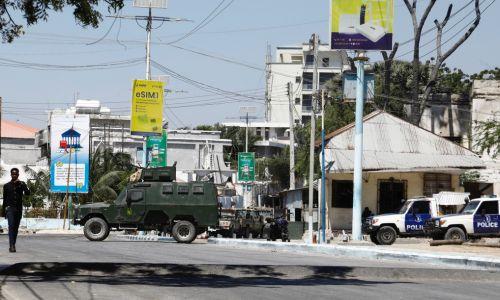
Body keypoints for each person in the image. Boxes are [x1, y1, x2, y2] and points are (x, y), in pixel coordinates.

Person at [2, 168, 30, 253]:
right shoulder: (6, 186)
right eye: (13, 174)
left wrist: (22, 184)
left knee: (15, 228)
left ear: (18, 175)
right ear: (11, 175)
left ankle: (13, 244)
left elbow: (28, 193)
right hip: (10, 208)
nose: (14, 175)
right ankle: (12, 246)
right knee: (11, 226)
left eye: (16, 174)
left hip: (18, 209)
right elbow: (5, 199)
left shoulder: (21, 184)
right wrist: (4, 211)